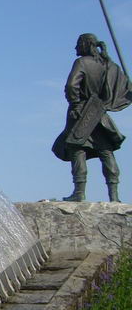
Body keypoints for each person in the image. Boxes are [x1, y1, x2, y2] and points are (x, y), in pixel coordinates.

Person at [52, 33, 131, 202]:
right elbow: (122, 86)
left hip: (81, 111)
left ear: (85, 44)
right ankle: (114, 196)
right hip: (99, 113)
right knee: (106, 151)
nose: (76, 48)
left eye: (78, 44)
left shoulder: (81, 62)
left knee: (77, 148)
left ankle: (79, 192)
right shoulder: (107, 64)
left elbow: (71, 85)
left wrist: (74, 103)